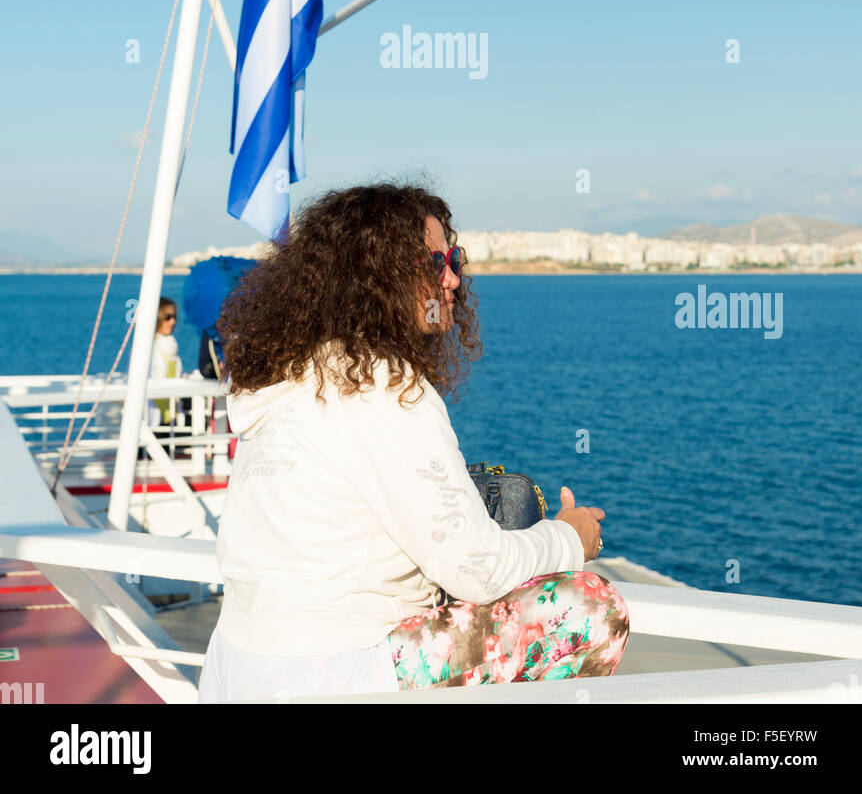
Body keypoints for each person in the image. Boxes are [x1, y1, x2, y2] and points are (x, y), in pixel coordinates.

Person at [198, 183, 628, 701]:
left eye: (455, 258)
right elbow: (480, 569)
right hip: (334, 676)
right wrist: (569, 538)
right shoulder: (384, 386)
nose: (452, 279)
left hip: (236, 670)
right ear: (374, 277)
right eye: (434, 263)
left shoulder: (290, 376)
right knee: (592, 607)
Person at [148, 297, 184, 429]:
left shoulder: (171, 347)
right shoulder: (147, 348)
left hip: (171, 418)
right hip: (152, 420)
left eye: (174, 316)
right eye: (167, 317)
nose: (173, 321)